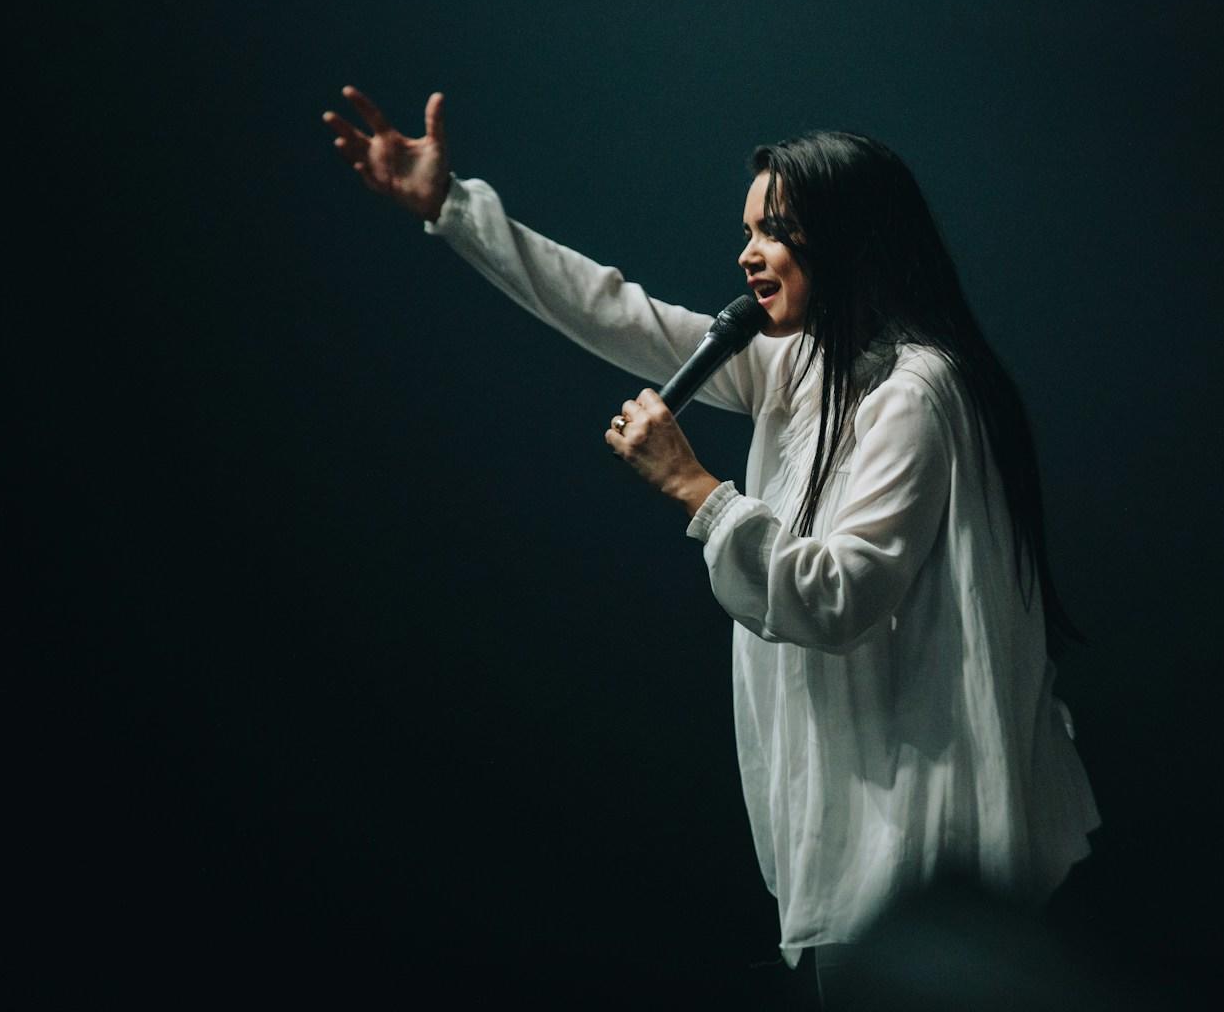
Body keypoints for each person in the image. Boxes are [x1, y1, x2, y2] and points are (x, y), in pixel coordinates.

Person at [321, 86, 1100, 1001]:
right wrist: (455, 210)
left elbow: (839, 596)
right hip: (864, 822)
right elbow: (618, 312)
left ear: (846, 236)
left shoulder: (915, 393)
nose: (746, 254)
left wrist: (697, 488)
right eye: (747, 229)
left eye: (772, 229)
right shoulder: (802, 366)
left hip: (922, 830)